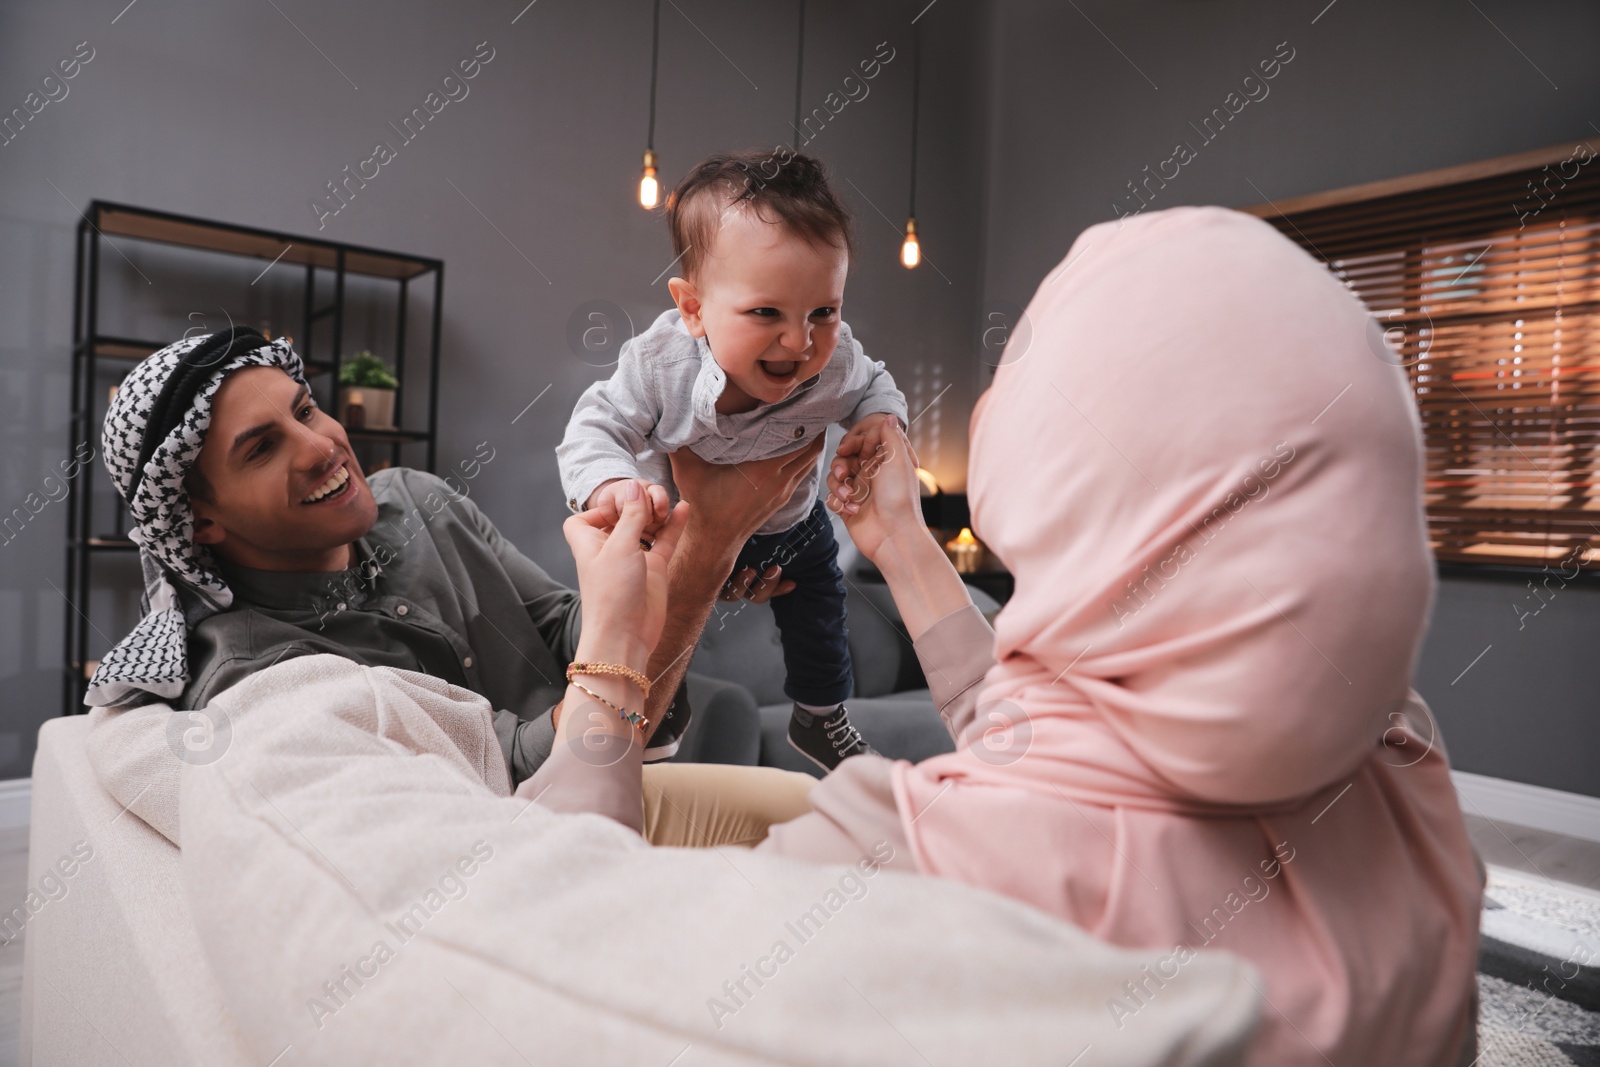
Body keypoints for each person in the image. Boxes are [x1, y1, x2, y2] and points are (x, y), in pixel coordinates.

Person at [528, 206, 1484, 1066]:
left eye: (1022, 365)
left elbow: (568, 954)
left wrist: (615, 635)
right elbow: (1051, 755)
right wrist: (900, 541)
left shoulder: (908, 858)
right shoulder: (1406, 760)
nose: (989, 405)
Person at [86, 325, 818, 847]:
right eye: (261, 447)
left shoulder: (418, 500)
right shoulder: (267, 674)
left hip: (608, 775)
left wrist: (670, 554)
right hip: (533, 849)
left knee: (839, 817)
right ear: (202, 520)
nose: (320, 446)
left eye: (304, 409)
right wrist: (702, 557)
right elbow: (524, 782)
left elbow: (571, 630)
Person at [557, 150, 908, 773]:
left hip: (793, 528)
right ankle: (662, 706)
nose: (799, 341)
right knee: (648, 597)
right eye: (766, 313)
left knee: (822, 607)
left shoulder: (839, 360)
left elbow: (875, 382)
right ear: (693, 309)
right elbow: (593, 427)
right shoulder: (660, 364)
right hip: (687, 528)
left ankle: (822, 716)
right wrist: (611, 483)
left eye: (823, 312)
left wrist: (881, 419)